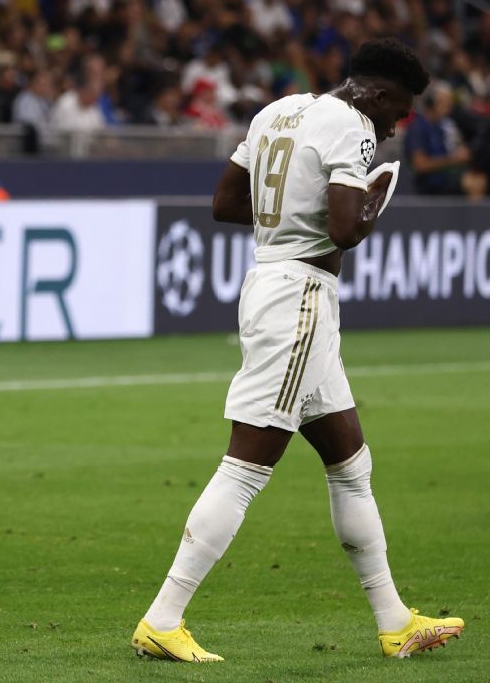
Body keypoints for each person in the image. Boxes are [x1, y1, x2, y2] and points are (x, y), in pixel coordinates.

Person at [132, 38, 464, 662]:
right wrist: (374, 201)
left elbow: (226, 204)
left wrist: (290, 212)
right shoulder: (354, 126)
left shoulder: (277, 111)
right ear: (377, 94)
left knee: (351, 463)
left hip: (273, 285)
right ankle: (163, 618)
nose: (395, 128)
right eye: (398, 111)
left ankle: (394, 620)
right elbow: (344, 229)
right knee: (246, 465)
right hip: (301, 300)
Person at [405, 82, 487, 198]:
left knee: (480, 178)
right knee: (475, 184)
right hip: (429, 185)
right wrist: (454, 159)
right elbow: (420, 164)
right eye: (444, 104)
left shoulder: (443, 126)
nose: (448, 109)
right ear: (431, 104)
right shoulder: (418, 128)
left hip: (448, 179)